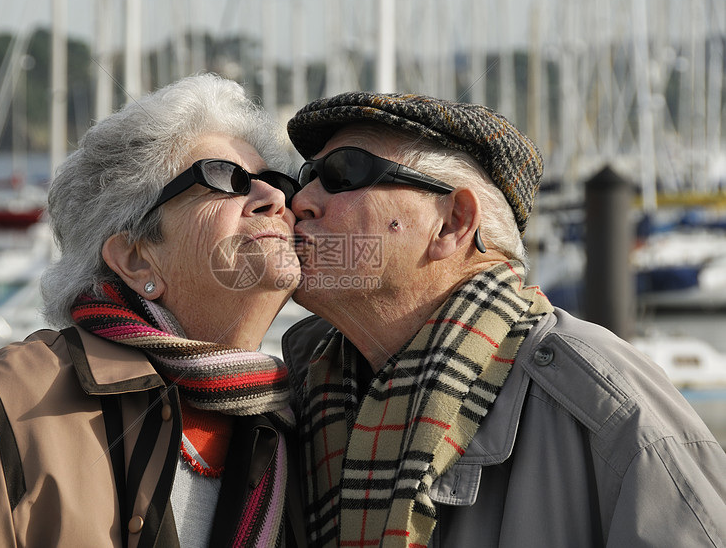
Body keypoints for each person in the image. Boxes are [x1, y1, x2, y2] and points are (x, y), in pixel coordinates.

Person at [0, 74, 307, 547]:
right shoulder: (3, 407)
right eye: (227, 179)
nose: (275, 199)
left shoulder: (306, 419)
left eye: (276, 181)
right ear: (137, 259)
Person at [281, 91, 726, 547]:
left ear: (453, 222)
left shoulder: (605, 407)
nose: (300, 202)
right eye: (305, 178)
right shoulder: (300, 399)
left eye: (342, 173)